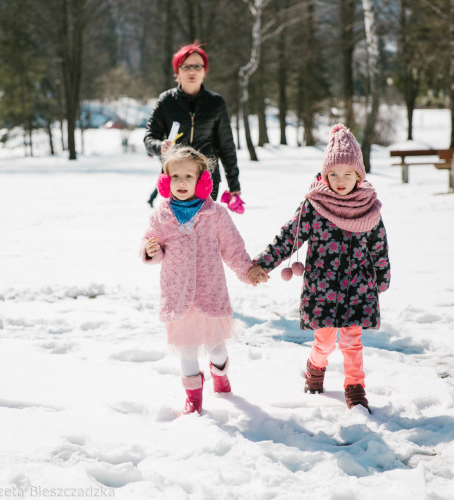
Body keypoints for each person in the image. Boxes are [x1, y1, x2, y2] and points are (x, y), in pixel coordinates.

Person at [247, 124, 391, 413]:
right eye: (333, 174)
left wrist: (382, 277)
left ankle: (355, 386)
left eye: (347, 174)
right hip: (322, 287)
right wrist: (264, 262)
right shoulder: (314, 206)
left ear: (358, 176)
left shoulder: (368, 207)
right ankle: (315, 366)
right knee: (324, 341)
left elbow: (379, 246)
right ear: (325, 175)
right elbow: (289, 236)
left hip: (358, 287)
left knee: (352, 340)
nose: (340, 180)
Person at [140, 146, 252, 415]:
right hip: (177, 294)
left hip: (209, 292)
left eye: (188, 176)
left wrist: (247, 270)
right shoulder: (161, 215)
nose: (181, 182)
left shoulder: (216, 214)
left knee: (216, 348)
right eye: (174, 176)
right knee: (186, 350)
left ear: (202, 180)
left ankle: (220, 374)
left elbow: (233, 248)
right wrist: (150, 251)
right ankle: (193, 397)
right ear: (165, 181)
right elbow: (149, 242)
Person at [144, 42, 241, 206]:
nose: (192, 71)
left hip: (206, 179)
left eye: (197, 66)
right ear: (177, 72)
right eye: (186, 66)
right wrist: (160, 147)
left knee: (203, 229)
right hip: (175, 178)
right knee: (177, 230)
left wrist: (234, 185)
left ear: (204, 71)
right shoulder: (166, 101)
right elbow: (149, 138)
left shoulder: (215, 103)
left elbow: (227, 147)